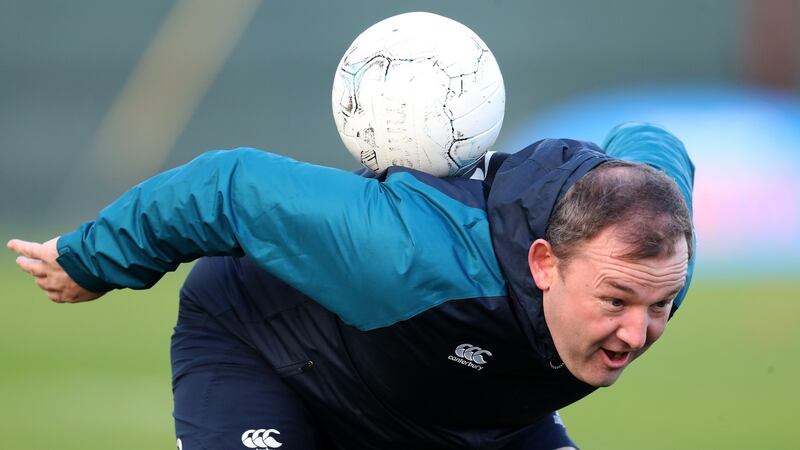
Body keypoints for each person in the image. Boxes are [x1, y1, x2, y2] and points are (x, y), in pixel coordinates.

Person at [8, 122, 695, 449]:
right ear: (545, 263)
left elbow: (656, 146)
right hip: (274, 354)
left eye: (659, 305)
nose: (638, 334)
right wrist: (93, 261)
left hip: (464, 415)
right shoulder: (406, 255)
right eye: (614, 302)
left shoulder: (658, 253)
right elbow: (227, 185)